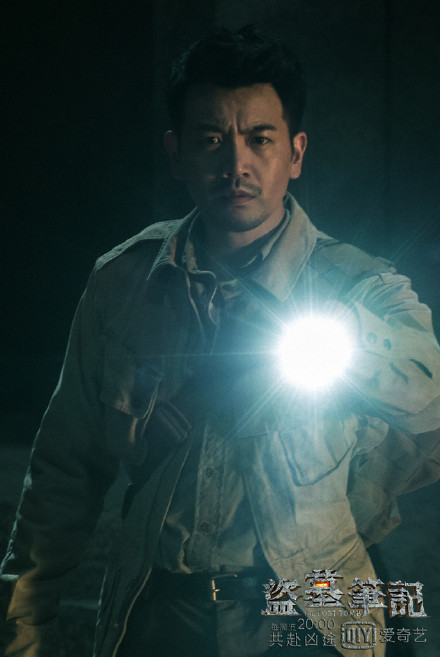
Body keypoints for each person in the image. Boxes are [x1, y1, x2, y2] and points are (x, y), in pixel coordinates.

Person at [1, 25, 440, 657]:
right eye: (210, 140)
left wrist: (336, 339)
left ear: (295, 153)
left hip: (309, 614)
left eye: (260, 139)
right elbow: (62, 474)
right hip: (158, 613)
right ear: (176, 153)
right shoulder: (124, 283)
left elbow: (428, 396)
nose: (236, 164)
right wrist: (23, 632)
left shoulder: (360, 285)